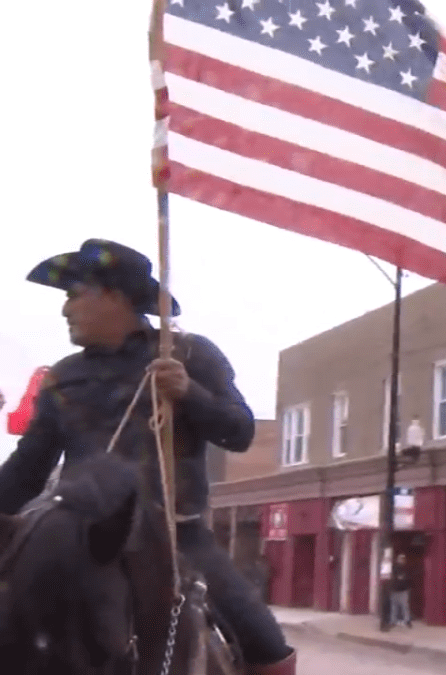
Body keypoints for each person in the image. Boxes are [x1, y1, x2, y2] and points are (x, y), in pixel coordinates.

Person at [0, 240, 296, 675]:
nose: (65, 310)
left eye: (73, 294)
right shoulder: (64, 376)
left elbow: (240, 433)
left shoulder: (188, 355)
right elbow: (28, 471)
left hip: (179, 538)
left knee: (266, 646)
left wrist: (189, 393)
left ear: (115, 296)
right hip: (75, 537)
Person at [389, 553, 413, 628]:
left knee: (404, 606)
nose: (402, 560)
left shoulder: (407, 569)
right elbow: (392, 577)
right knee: (394, 607)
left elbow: (409, 578)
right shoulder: (394, 568)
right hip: (395, 590)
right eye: (400, 559)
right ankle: (393, 621)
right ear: (398, 560)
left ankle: (407, 621)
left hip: (403, 590)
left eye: (403, 559)